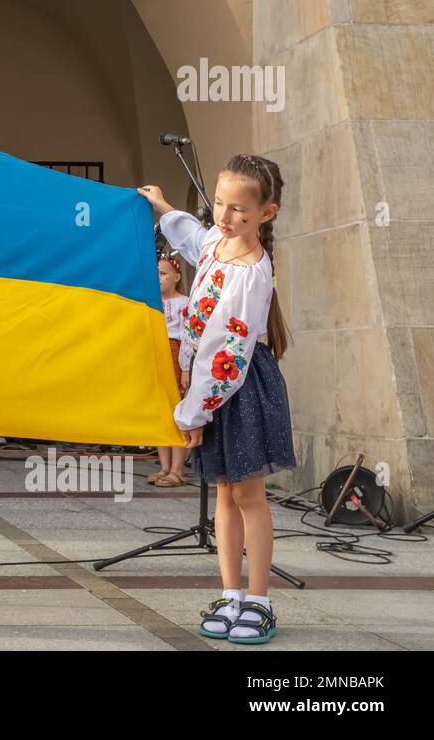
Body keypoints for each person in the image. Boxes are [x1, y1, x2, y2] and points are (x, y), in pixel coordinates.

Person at [139, 154, 295, 645]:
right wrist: (162, 204)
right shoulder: (216, 242)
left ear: (265, 214)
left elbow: (226, 350)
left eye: (239, 211)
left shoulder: (250, 270)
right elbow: (191, 235)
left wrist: (194, 410)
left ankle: (260, 601)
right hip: (213, 387)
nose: (225, 219)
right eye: (220, 207)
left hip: (237, 386)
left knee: (248, 495)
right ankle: (231, 595)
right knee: (224, 493)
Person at [150, 255, 190, 488]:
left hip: (175, 352)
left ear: (176, 277)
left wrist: (185, 368)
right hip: (157, 353)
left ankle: (177, 469)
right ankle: (164, 466)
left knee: (178, 409)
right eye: (156, 274)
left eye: (163, 274)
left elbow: (187, 336)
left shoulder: (185, 303)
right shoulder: (152, 303)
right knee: (161, 411)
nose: (159, 279)